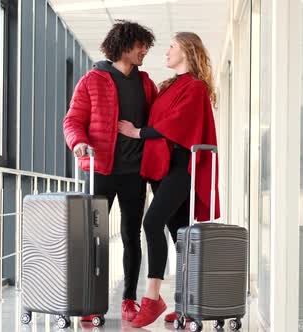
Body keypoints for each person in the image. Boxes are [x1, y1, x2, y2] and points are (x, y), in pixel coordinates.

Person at [117, 31, 220, 328]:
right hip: (163, 167)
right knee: (179, 234)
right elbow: (158, 118)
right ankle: (188, 305)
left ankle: (152, 298)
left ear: (187, 51)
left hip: (181, 167)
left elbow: (174, 125)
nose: (166, 52)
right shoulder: (169, 86)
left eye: (172, 47)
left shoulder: (196, 87)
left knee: (151, 223)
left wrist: (137, 132)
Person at [63, 20, 158, 322]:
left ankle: (129, 299)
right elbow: (73, 120)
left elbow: (157, 124)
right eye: (140, 45)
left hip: (134, 173)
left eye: (147, 46)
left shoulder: (146, 84)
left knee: (131, 235)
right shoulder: (92, 80)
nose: (145, 51)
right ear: (124, 46)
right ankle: (91, 301)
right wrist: (78, 142)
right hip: (100, 170)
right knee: (95, 238)